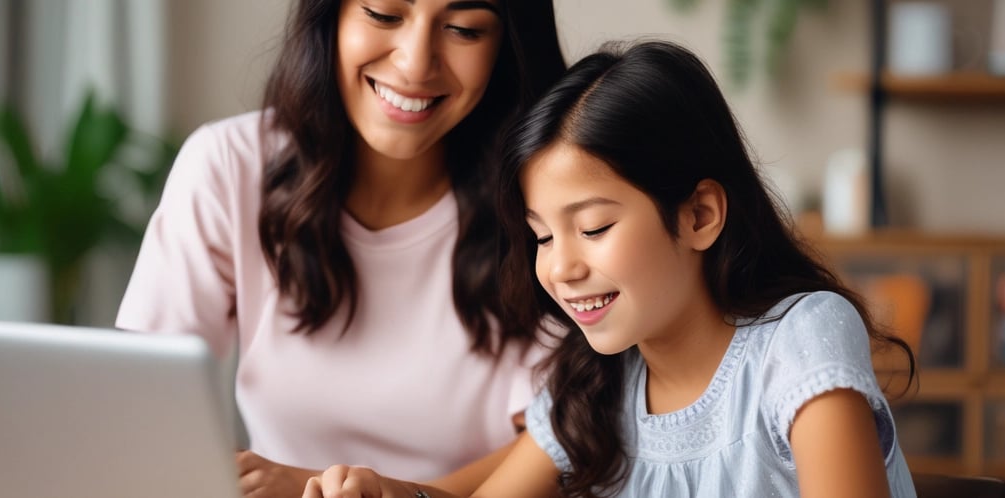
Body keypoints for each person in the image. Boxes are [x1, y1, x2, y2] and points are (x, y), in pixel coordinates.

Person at [302, 40, 919, 498]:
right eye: (542, 236)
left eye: (594, 228)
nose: (561, 267)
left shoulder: (800, 338)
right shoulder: (599, 384)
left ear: (700, 215)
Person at [115, 0, 566, 497]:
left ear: (506, 48)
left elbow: (558, 438)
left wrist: (373, 492)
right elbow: (142, 402)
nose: (415, 64)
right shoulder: (229, 165)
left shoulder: (546, 200)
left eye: (463, 29)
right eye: (383, 14)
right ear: (330, 17)